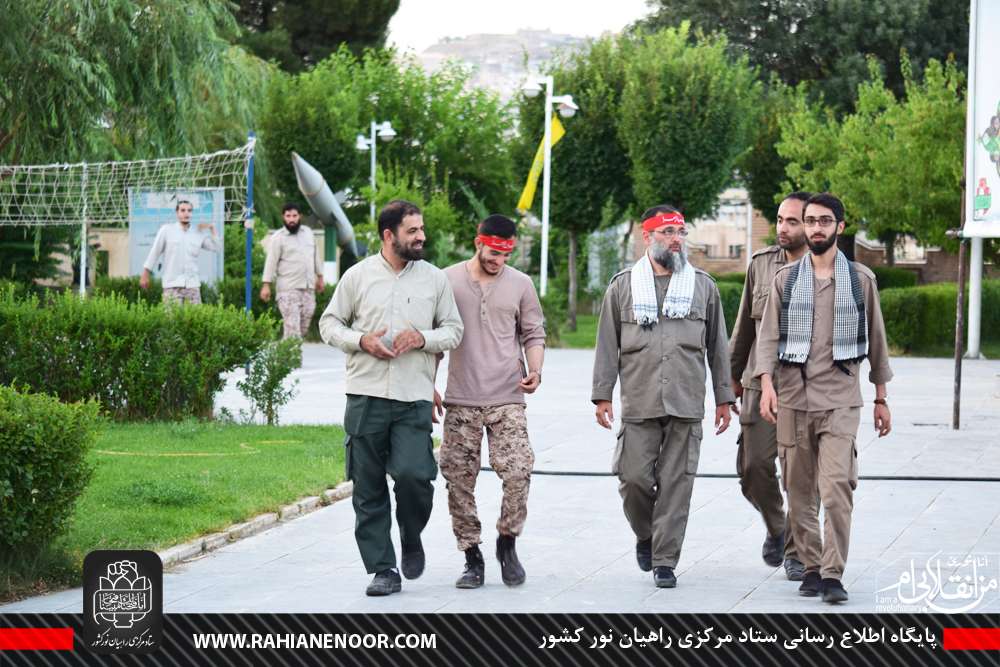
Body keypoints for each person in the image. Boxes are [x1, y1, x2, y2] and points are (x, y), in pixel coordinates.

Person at [319, 199, 464, 597]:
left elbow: (454, 330)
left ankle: (411, 533)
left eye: (421, 229)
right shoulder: (358, 276)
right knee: (367, 487)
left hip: (413, 396)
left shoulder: (434, 279)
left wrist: (422, 338)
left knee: (415, 476)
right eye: (412, 231)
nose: (421, 236)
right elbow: (328, 324)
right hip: (364, 395)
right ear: (389, 235)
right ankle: (383, 567)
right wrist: (360, 340)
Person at [754, 192, 893, 604]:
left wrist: (881, 398)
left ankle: (833, 573)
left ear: (839, 227)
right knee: (797, 494)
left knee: (835, 489)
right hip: (793, 401)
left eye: (824, 221)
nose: (815, 228)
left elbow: (878, 343)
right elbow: (768, 341)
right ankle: (811, 568)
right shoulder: (785, 280)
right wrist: (766, 386)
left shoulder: (860, 281)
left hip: (840, 400)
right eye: (810, 221)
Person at [592, 205, 737, 589]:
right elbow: (608, 344)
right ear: (648, 237)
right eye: (667, 232)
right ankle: (647, 535)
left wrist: (724, 397)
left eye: (681, 232)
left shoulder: (703, 286)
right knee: (632, 479)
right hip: (640, 401)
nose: (676, 239)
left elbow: (717, 346)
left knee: (677, 483)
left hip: (686, 401)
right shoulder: (622, 286)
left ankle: (664, 561)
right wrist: (601, 395)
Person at [437, 214, 546, 589]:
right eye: (492, 250)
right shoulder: (447, 280)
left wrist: (535, 369)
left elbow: (533, 332)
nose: (497, 259)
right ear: (476, 242)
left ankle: (508, 541)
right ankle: (471, 556)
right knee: (458, 480)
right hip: (460, 398)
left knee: (518, 470)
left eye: (505, 253)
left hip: (507, 395)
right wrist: (426, 386)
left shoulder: (521, 284)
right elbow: (435, 339)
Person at [728, 191, 811, 580]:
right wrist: (728, 380)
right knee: (752, 467)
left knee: (800, 472)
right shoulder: (761, 265)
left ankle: (796, 549)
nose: (783, 227)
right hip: (759, 384)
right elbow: (745, 324)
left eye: (792, 221)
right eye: (780, 219)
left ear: (810, 225)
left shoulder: (828, 269)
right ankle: (778, 527)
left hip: (806, 388)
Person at [260, 203, 324, 339]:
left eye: (294, 216)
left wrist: (320, 277)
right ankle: (290, 358)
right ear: (283, 217)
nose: (291, 219)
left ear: (299, 216)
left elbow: (315, 256)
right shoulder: (278, 238)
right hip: (288, 290)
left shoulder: (308, 233)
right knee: (293, 332)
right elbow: (270, 262)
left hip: (308, 288)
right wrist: (266, 285)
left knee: (302, 329)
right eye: (288, 216)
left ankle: (285, 354)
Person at [140, 199, 219, 304]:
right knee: (171, 320)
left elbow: (217, 247)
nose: (186, 213)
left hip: (192, 286)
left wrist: (212, 228)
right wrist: (145, 274)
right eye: (183, 210)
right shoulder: (166, 230)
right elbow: (154, 252)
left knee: (195, 319)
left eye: (189, 210)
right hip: (171, 285)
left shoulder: (197, 233)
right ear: (177, 213)